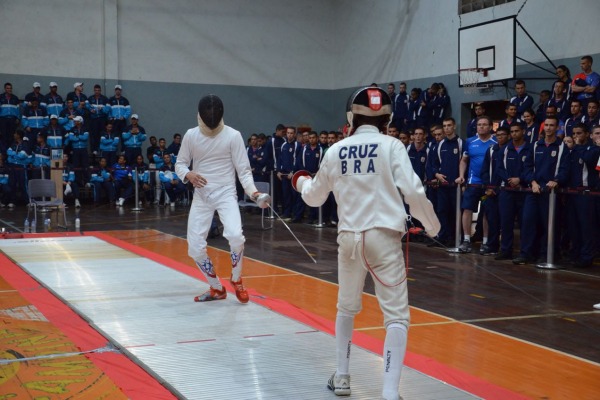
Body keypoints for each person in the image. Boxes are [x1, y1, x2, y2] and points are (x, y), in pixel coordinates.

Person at [292, 86, 439, 400]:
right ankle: (388, 392)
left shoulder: (337, 150)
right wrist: (432, 225)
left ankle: (343, 377)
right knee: (396, 316)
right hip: (384, 238)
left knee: (346, 308)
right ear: (386, 117)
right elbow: (414, 193)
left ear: (351, 116)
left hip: (349, 238)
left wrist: (301, 181)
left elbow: (315, 197)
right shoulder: (392, 145)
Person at [174, 94, 269, 304]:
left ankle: (236, 279)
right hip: (202, 195)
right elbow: (180, 164)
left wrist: (254, 193)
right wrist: (188, 174)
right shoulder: (191, 135)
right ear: (199, 115)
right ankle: (217, 288)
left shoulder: (233, 136)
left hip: (226, 193)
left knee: (235, 236)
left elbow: (244, 172)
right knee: (195, 247)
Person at [455, 116, 497, 253]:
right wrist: (461, 176)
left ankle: (485, 242)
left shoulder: (496, 141)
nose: (481, 127)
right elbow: (464, 160)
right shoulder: (470, 141)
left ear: (490, 127)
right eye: (479, 125)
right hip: (473, 183)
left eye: (484, 124)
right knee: (467, 209)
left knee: (486, 212)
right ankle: (466, 240)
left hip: (489, 184)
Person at [495, 122, 531, 260]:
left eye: (517, 130)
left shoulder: (530, 148)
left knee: (525, 223)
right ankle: (505, 250)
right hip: (507, 190)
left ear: (523, 131)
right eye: (512, 131)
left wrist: (520, 179)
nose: (514, 133)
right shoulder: (505, 149)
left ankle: (525, 252)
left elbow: (531, 167)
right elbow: (499, 168)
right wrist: (510, 180)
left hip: (524, 190)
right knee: (506, 222)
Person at [0, 83, 21, 150]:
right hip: (3, 119)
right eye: (8, 88)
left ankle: (10, 151)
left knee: (12, 136)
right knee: (3, 136)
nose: (9, 89)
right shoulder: (0, 97)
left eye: (10, 88)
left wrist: (18, 118)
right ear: (5, 89)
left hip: (12, 120)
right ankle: (4, 153)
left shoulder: (15, 98)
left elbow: (18, 109)